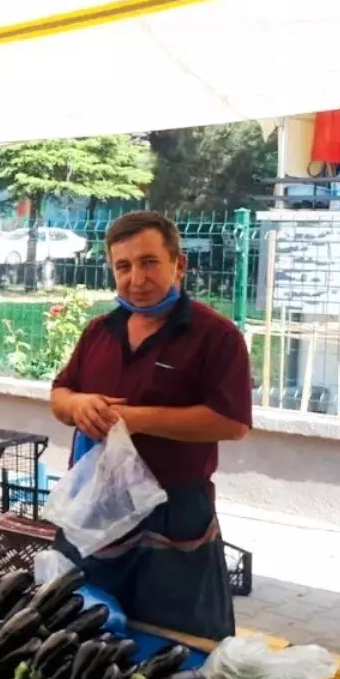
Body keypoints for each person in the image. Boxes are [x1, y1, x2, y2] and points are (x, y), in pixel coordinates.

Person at [49, 211, 252, 640]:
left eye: (148, 262)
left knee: (171, 645)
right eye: (123, 266)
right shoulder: (99, 332)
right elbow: (60, 395)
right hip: (94, 505)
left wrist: (135, 420)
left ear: (179, 264)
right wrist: (78, 405)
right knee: (79, 632)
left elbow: (231, 422)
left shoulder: (216, 335)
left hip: (173, 516)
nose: (135, 278)